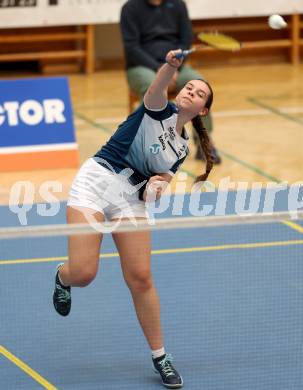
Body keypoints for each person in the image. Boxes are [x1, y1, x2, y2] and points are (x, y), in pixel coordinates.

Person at [52, 49, 214, 389]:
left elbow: (163, 179)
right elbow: (155, 91)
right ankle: (62, 276)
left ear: (204, 110)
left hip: (131, 198)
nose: (190, 92)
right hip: (97, 181)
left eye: (199, 94)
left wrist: (159, 186)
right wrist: (170, 67)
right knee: (84, 273)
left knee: (140, 277)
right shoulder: (158, 110)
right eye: (188, 87)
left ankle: (160, 356)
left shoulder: (183, 147)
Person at [120, 0, 221, 164]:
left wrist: (173, 66)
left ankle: (204, 142)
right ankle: (148, 146)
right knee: (152, 87)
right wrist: (162, 70)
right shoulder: (130, 8)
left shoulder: (178, 5)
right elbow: (131, 47)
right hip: (142, 67)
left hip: (177, 65)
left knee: (200, 84)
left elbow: (186, 39)